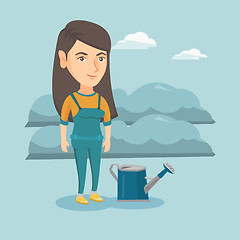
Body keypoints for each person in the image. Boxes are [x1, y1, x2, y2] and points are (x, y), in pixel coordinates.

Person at [52, 20, 118, 205]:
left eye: (101, 58)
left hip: (97, 140)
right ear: (63, 59)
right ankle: (80, 193)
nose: (95, 67)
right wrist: (63, 139)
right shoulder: (70, 100)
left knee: (96, 167)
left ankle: (94, 191)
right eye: (82, 58)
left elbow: (107, 122)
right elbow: (63, 121)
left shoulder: (101, 100)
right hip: (78, 140)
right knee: (81, 167)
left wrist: (108, 139)